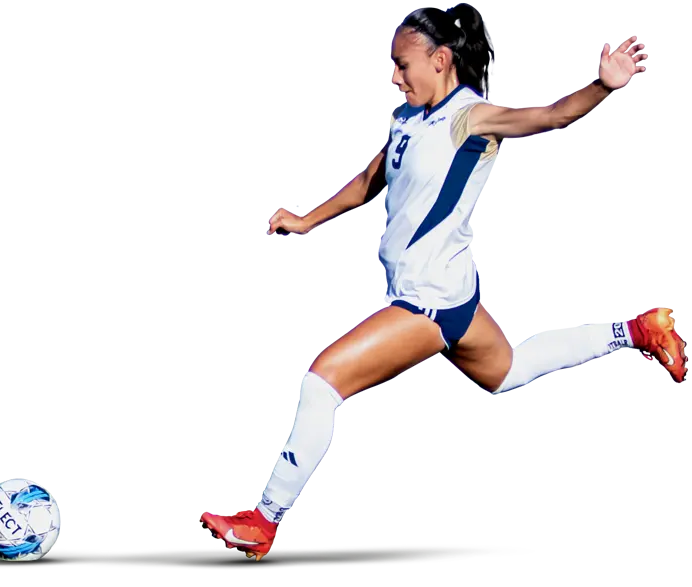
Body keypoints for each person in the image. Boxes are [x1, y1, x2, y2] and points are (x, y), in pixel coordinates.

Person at [199, 4, 688, 561]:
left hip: (427, 303)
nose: (394, 77)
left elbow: (551, 115)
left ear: (441, 60)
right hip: (452, 298)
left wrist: (602, 85)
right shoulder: (410, 121)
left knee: (322, 384)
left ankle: (264, 518)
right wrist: (306, 220)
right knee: (507, 372)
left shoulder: (469, 117)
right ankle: (638, 329)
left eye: (402, 65)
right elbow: (370, 180)